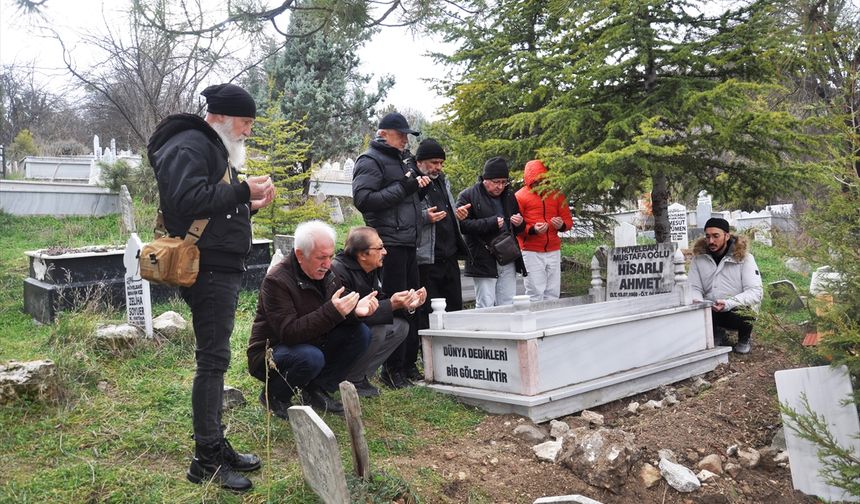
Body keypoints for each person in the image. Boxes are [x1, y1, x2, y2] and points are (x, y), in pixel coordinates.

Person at [147, 83, 275, 492]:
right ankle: (206, 460)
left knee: (215, 359)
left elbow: (211, 202)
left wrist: (248, 203)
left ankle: (215, 446)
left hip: (218, 265)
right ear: (219, 116)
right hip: (207, 270)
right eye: (245, 123)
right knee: (212, 362)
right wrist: (241, 190)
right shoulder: (189, 144)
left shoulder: (208, 145)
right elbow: (186, 200)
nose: (248, 132)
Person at [248, 220, 377, 418]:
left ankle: (316, 390)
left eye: (331, 256)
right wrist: (334, 311)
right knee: (310, 357)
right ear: (300, 255)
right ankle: (275, 395)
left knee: (360, 333)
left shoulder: (329, 273)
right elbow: (289, 333)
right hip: (272, 352)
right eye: (321, 258)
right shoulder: (276, 281)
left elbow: (334, 314)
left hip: (313, 341)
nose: (327, 264)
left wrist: (353, 311)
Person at [352, 111, 429, 388]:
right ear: (383, 133)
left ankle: (407, 366)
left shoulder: (401, 159)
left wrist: (416, 188)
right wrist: (404, 186)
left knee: (413, 305)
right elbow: (363, 199)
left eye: (408, 136)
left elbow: (401, 197)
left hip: (409, 241)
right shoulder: (370, 160)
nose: (406, 140)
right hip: (388, 244)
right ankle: (392, 371)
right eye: (402, 135)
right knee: (397, 305)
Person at [331, 227, 426, 397]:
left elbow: (380, 301)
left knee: (400, 327)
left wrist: (408, 304)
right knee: (378, 329)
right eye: (379, 248)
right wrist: (391, 304)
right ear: (362, 254)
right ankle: (351, 379)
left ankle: (361, 377)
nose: (385, 252)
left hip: (357, 328)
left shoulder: (370, 269)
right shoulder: (339, 271)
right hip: (337, 333)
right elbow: (348, 315)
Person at [456, 157, 527, 308]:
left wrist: (520, 223)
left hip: (507, 254)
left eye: (504, 182)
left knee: (508, 302)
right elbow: (462, 226)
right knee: (485, 303)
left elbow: (518, 227)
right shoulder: (467, 196)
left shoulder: (509, 196)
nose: (500, 186)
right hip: (482, 257)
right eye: (496, 182)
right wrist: (491, 223)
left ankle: (506, 330)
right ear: (485, 179)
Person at [415, 138, 470, 331]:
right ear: (419, 162)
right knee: (430, 312)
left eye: (441, 163)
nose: (438, 167)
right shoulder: (413, 182)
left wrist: (458, 214)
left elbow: (448, 213)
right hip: (427, 258)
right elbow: (402, 216)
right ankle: (430, 354)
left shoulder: (443, 181)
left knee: (454, 308)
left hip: (450, 255)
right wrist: (424, 217)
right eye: (434, 162)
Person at [689, 217, 763, 354]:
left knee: (747, 312)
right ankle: (717, 333)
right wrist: (698, 301)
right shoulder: (699, 259)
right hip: (711, 307)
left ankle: (744, 338)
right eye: (708, 236)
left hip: (737, 308)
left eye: (716, 236)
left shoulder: (745, 258)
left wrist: (728, 303)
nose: (711, 241)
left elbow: (755, 292)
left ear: (727, 236)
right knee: (695, 308)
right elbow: (694, 287)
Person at [514, 160, 573, 302]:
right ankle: (535, 323)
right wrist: (533, 230)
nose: (540, 184)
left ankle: (552, 322)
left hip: (553, 249)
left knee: (553, 292)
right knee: (535, 292)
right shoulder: (520, 196)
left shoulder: (556, 194)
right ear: (529, 179)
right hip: (531, 250)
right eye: (536, 180)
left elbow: (568, 221)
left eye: (543, 180)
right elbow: (516, 227)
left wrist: (561, 225)